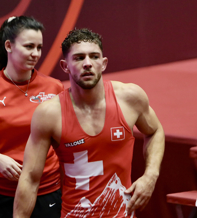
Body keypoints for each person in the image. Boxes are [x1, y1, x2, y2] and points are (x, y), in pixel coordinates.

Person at [13, 28, 165, 218]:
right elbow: (29, 178)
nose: (87, 64)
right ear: (65, 66)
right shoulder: (49, 114)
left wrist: (150, 176)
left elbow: (155, 130)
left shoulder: (129, 98)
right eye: (78, 58)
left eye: (94, 57)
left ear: (103, 63)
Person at [0, 16, 63, 218]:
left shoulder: (55, 87)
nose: (36, 54)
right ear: (9, 46)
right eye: (29, 46)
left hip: (45, 189)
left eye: (39, 47)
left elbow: (64, 136)